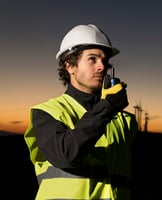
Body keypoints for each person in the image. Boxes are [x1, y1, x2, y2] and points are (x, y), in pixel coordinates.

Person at [24, 24, 138, 200]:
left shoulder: (124, 120)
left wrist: (108, 108)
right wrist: (106, 107)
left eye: (104, 60)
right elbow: (65, 155)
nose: (102, 66)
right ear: (70, 66)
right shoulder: (47, 113)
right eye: (92, 59)